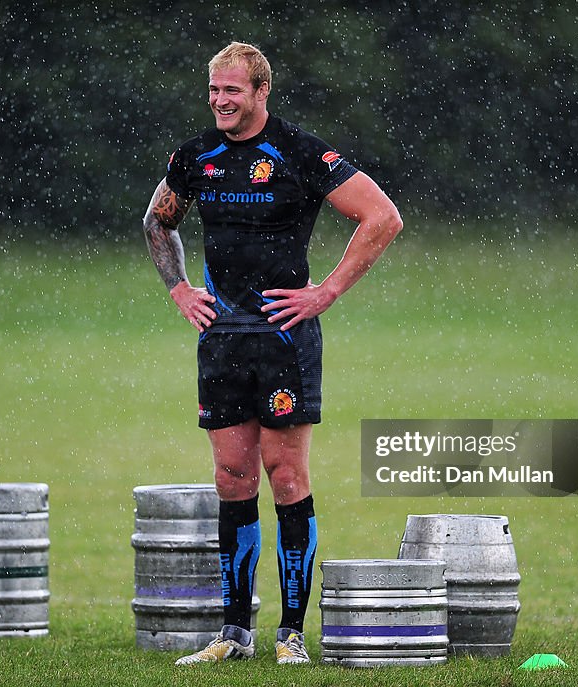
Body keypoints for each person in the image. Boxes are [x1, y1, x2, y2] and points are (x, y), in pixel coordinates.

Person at [142, 41, 402, 666]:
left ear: (261, 92)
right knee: (232, 477)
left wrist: (326, 291)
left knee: (285, 476)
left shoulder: (301, 151)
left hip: (285, 337)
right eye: (213, 90)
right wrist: (179, 287)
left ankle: (290, 634)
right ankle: (233, 635)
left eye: (232, 91)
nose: (219, 101)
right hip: (222, 339)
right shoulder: (194, 157)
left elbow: (382, 217)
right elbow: (158, 221)